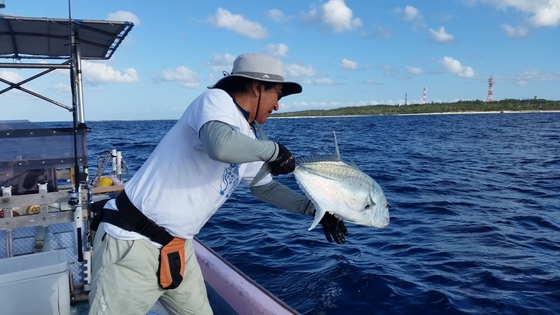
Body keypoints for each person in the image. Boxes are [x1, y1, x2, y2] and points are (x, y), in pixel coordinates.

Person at [88, 53, 348, 315]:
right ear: (258, 88)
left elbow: (264, 187)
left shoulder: (247, 136)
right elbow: (220, 145)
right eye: (278, 95)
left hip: (178, 247)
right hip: (133, 243)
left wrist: (315, 210)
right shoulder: (215, 100)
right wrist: (273, 151)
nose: (278, 105)